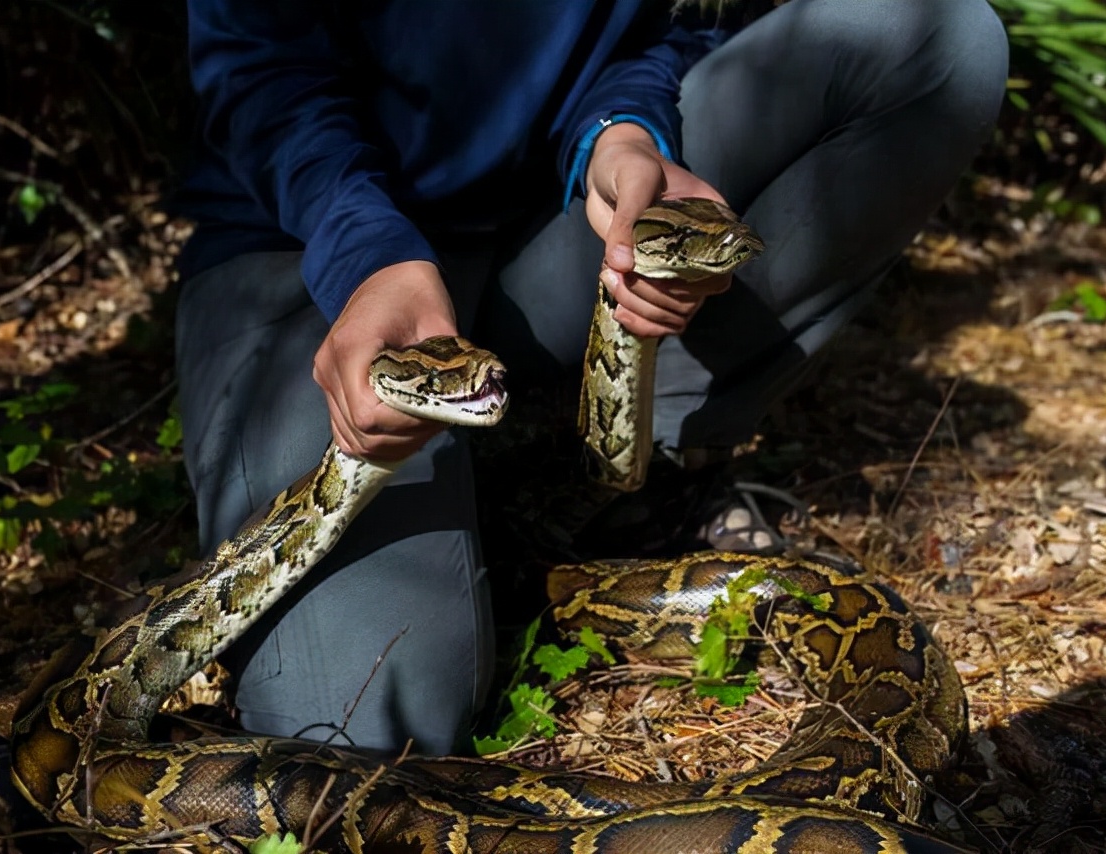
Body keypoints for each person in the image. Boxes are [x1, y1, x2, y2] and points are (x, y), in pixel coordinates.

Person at [171, 0, 1008, 756]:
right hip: (311, 248)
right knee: (356, 730)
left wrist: (625, 136)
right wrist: (369, 257)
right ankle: (491, 498)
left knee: (935, 35)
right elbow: (258, 73)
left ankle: (649, 475)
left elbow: (655, 30)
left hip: (544, 226)